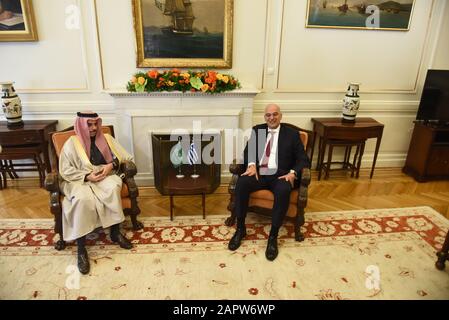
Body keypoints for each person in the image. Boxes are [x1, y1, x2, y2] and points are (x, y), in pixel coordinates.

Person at [228, 104, 310, 261]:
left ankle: (273, 237)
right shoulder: (257, 130)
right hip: (259, 174)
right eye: (268, 115)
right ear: (264, 117)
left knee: (284, 190)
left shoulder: (292, 135)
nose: (271, 118)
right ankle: (240, 229)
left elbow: (303, 159)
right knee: (242, 184)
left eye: (275, 114)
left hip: (280, 176)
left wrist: (292, 173)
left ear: (280, 115)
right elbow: (248, 152)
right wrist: (251, 164)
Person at [59, 111, 134, 275]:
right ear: (81, 124)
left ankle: (115, 233)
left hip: (104, 174)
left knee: (113, 188)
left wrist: (110, 166)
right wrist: (87, 176)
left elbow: (121, 156)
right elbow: (65, 169)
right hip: (80, 179)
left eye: (95, 124)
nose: (94, 128)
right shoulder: (71, 143)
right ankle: (81, 249)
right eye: (89, 124)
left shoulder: (106, 138)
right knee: (82, 199)